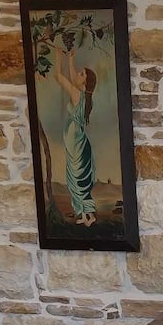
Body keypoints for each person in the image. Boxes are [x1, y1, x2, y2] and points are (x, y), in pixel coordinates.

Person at [54, 46, 98, 227]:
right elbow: (74, 80)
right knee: (77, 176)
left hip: (75, 141)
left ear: (85, 83)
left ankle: (88, 215)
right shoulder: (85, 96)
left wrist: (59, 59)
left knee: (76, 176)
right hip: (78, 139)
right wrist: (70, 60)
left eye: (81, 74)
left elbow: (59, 77)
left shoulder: (77, 94)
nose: (77, 74)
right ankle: (87, 215)